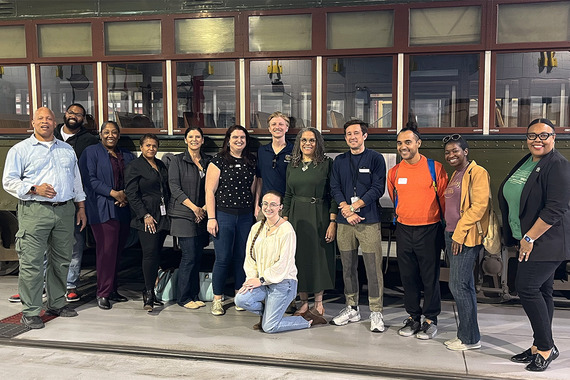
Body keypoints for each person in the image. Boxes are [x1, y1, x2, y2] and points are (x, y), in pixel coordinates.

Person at [2, 107, 87, 329]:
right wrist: (33, 189)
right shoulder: (20, 150)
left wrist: (80, 207)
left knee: (61, 261)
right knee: (32, 262)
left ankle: (57, 303)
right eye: (40, 118)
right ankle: (30, 311)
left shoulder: (67, 149)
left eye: (49, 118)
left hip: (64, 210)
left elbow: (75, 181)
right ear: (33, 123)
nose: (45, 121)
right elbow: (8, 181)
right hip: (35, 211)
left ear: (55, 122)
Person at [499, 118, 570, 372]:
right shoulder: (528, 161)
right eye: (532, 135)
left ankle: (545, 347)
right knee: (543, 291)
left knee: (527, 288)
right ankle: (539, 346)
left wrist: (529, 238)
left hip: (546, 240)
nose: (537, 140)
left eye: (544, 135)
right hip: (528, 238)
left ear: (554, 138)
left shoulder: (559, 165)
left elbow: (555, 209)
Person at [387, 124, 448, 340]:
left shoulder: (435, 168)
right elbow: (396, 200)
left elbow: (443, 200)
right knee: (408, 276)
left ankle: (430, 319)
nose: (403, 147)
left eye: (408, 142)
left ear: (418, 143)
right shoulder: (394, 172)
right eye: (400, 143)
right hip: (404, 230)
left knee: (429, 277)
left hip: (429, 230)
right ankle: (413, 317)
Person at [330, 119, 387, 332]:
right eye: (348, 134)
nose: (352, 137)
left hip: (368, 221)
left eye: (356, 133)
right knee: (347, 267)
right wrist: (345, 208)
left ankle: (376, 312)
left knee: (373, 268)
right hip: (345, 223)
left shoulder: (375, 158)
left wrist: (356, 207)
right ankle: (352, 308)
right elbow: (334, 187)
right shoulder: (339, 161)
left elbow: (377, 188)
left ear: (365, 135)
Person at [235, 191, 313, 333]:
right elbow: (250, 257)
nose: (268, 208)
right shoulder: (256, 228)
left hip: (283, 283)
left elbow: (284, 264)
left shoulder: (286, 230)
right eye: (265, 204)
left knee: (269, 327)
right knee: (241, 299)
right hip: (262, 281)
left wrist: (262, 279)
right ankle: (269, 315)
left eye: (273, 204)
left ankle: (305, 320)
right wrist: (252, 278)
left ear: (280, 207)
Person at [282, 127, 337, 322]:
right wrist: (285, 220)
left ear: (318, 143)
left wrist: (332, 221)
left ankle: (319, 303)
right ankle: (303, 301)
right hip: (297, 215)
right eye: (304, 140)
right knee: (298, 258)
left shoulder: (326, 164)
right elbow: (288, 194)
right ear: (299, 142)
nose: (307, 143)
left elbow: (333, 195)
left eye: (312, 140)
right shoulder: (293, 164)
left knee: (318, 257)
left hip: (319, 214)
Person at [79, 121, 135, 310]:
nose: (110, 135)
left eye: (114, 132)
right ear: (100, 135)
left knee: (118, 251)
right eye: (106, 132)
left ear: (118, 135)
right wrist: (113, 193)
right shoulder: (91, 152)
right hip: (102, 207)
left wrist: (124, 194)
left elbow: (132, 178)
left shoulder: (126, 155)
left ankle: (112, 289)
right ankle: (102, 293)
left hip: (122, 207)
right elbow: (89, 179)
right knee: (105, 252)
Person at [442, 134, 490, 351]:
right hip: (452, 234)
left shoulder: (477, 173)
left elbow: (479, 206)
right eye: (448, 152)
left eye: (455, 151)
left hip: (464, 237)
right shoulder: (456, 174)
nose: (451, 155)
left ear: (465, 151)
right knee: (464, 285)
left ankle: (470, 339)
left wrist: (459, 234)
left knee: (458, 285)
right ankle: (467, 335)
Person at [206, 125, 257, 316]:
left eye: (242, 137)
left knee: (242, 258)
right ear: (228, 139)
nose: (239, 140)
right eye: (235, 137)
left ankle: (239, 296)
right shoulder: (218, 161)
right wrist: (212, 218)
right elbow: (209, 191)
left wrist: (255, 209)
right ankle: (217, 299)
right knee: (223, 258)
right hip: (224, 215)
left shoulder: (251, 160)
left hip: (245, 216)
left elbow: (254, 187)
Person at [54, 103, 98, 302]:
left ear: (83, 119)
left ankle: (71, 284)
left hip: (74, 198)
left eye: (79, 115)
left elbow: (85, 175)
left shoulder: (89, 141)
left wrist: (82, 204)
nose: (74, 117)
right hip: (48, 198)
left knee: (75, 242)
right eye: (71, 113)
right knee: (46, 244)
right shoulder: (50, 135)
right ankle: (46, 284)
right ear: (65, 114)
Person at [125, 133, 170, 312]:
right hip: (146, 217)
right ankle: (149, 293)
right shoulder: (134, 166)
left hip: (162, 215)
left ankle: (151, 287)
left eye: (154, 146)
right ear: (141, 147)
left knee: (157, 253)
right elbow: (131, 193)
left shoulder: (159, 165)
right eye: (148, 146)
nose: (151, 149)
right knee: (149, 254)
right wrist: (144, 214)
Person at [168, 126, 210, 310]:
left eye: (198, 137)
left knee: (198, 255)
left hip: (202, 214)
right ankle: (183, 298)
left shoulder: (208, 161)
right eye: (191, 137)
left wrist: (204, 208)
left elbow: (213, 187)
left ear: (202, 140)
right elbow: (174, 188)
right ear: (185, 140)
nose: (194, 140)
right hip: (183, 214)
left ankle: (193, 294)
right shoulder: (177, 160)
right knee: (189, 255)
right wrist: (195, 208)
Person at [254, 111, 293, 219]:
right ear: (269, 128)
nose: (277, 127)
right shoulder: (262, 151)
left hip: (286, 207)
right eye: (274, 124)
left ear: (287, 128)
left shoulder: (294, 151)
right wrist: (256, 205)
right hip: (266, 207)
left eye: (281, 124)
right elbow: (259, 180)